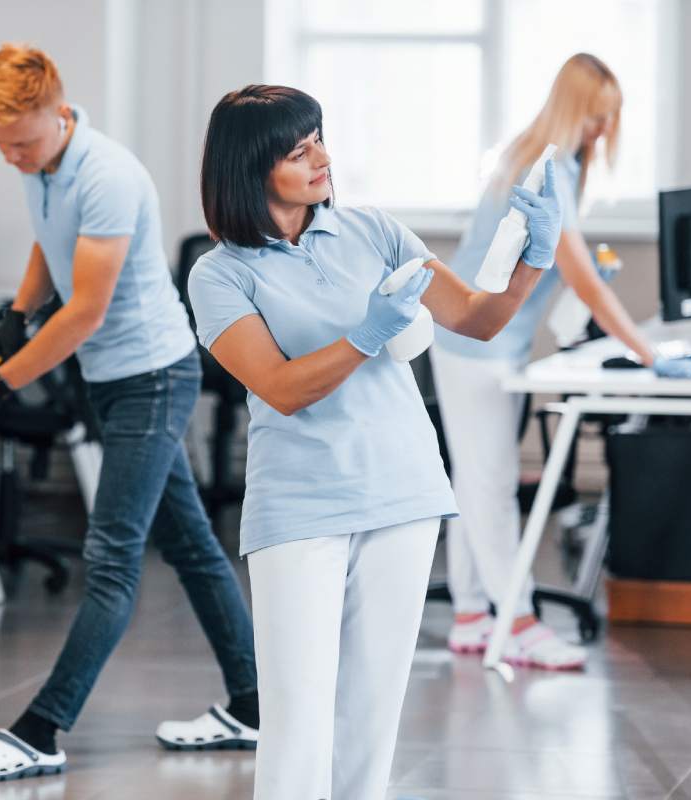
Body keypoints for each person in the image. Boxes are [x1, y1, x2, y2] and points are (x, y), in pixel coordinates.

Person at [187, 84, 563, 800]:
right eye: (299, 151)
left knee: (372, 717)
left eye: (319, 138)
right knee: (298, 720)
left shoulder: (375, 231)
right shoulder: (221, 274)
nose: (322, 158)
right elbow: (282, 387)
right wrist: (365, 336)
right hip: (299, 509)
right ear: (249, 168)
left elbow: (478, 319)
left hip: (403, 493)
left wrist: (533, 259)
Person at [0, 44, 259, 782]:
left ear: (59, 113)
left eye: (21, 144)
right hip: (114, 381)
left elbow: (86, 311)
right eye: (2, 148)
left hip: (151, 377)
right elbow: (48, 240)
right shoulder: (46, 165)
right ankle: (253, 705)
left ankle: (40, 730)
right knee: (192, 549)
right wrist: (16, 318)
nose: (13, 160)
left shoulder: (109, 174)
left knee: (112, 560)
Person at [432, 53, 655, 670]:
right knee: (492, 486)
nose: (605, 132)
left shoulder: (545, 160)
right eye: (597, 119)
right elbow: (585, 282)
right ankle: (520, 622)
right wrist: (649, 354)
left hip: (478, 341)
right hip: (473, 344)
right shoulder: (546, 168)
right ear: (576, 112)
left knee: (476, 481)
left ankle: (474, 616)